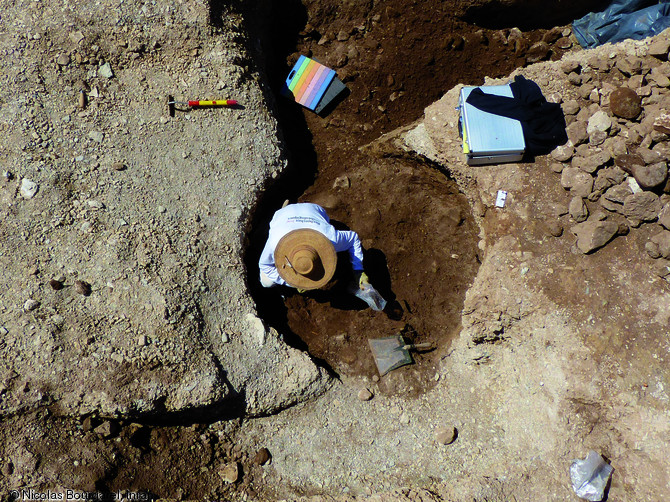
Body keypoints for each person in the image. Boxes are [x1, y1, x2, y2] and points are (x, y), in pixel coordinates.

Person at [258, 202, 369, 291]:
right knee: (266, 282)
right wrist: (290, 282)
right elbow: (264, 265)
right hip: (281, 214)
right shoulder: (275, 243)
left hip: (315, 210)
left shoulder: (331, 239)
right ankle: (285, 211)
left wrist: (358, 270)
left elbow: (353, 238)